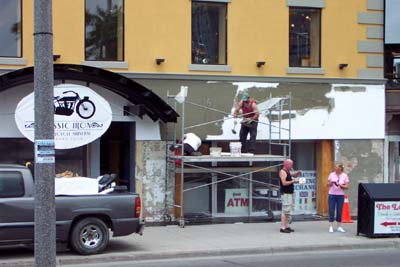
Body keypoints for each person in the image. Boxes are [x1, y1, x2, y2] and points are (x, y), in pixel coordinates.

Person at [279, 159, 301, 233]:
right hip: (286, 193)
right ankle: (282, 227)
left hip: (289, 193)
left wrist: (297, 173)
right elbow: (284, 183)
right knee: (285, 211)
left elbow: (293, 174)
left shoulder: (288, 171)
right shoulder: (283, 172)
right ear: (287, 164)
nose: (292, 166)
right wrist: (293, 181)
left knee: (287, 211)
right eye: (291, 165)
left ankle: (286, 226)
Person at [327, 163, 349, 233]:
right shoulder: (331, 174)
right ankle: (331, 226)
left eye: (337, 168)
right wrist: (331, 183)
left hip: (340, 195)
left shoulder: (344, 175)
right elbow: (327, 184)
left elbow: (347, 187)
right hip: (332, 194)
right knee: (331, 209)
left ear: (340, 169)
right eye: (335, 168)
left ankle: (339, 226)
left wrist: (341, 185)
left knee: (339, 210)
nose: (336, 169)